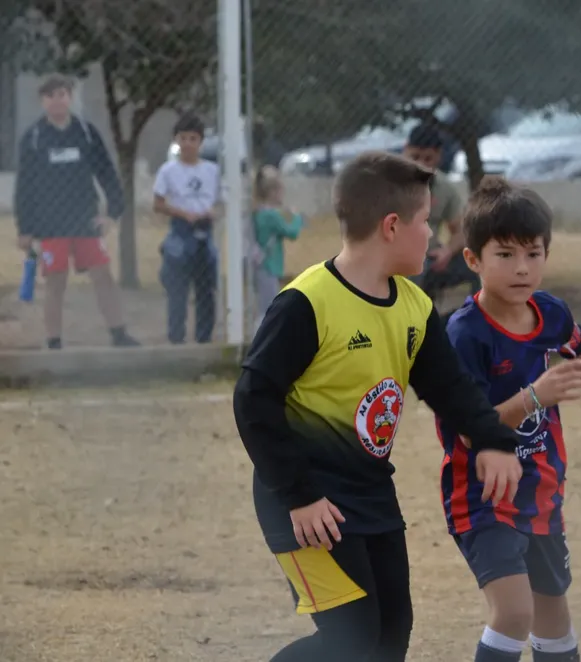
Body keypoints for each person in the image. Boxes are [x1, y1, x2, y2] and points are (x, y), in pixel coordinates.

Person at [232, 151, 523, 662]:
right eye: (426, 220)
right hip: (304, 500)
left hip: (369, 494)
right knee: (351, 639)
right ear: (392, 226)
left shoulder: (413, 306)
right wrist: (299, 494)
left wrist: (495, 441)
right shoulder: (307, 303)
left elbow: (451, 390)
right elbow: (254, 400)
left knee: (390, 636)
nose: (432, 233)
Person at [438, 178, 581, 662]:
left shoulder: (550, 313)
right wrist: (533, 397)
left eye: (533, 253)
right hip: (484, 496)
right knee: (514, 613)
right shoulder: (465, 334)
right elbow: (469, 427)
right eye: (505, 255)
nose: (522, 268)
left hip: (542, 491)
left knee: (554, 618)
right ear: (473, 260)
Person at [13, 74, 139, 349]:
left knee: (103, 277)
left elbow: (106, 172)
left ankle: (119, 334)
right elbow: (24, 186)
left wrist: (112, 212)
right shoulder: (34, 138)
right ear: (42, 101)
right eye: (51, 96)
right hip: (50, 224)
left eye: (62, 94)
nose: (57, 100)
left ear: (70, 97)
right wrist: (24, 228)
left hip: (85, 219)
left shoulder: (85, 132)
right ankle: (54, 341)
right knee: (55, 283)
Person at [152, 114, 222, 344]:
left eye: (193, 139)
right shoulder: (168, 170)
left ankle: (204, 338)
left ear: (200, 142)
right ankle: (176, 338)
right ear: (176, 140)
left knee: (206, 291)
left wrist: (211, 213)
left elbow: (222, 202)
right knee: (178, 291)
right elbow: (158, 203)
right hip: (181, 231)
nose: (188, 144)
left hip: (205, 230)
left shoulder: (212, 170)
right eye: (183, 138)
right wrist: (183, 214)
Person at [404, 123, 478, 316]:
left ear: (439, 156)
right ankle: (414, 323)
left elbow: (462, 230)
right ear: (406, 151)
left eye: (428, 158)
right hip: (399, 259)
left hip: (433, 258)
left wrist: (447, 250)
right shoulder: (388, 184)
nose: (421, 164)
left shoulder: (444, 187)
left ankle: (478, 319)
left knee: (482, 262)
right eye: (415, 157)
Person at [252, 166, 304, 329]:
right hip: (269, 266)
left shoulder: (259, 212)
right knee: (267, 309)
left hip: (262, 265)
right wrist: (297, 217)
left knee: (264, 306)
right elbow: (292, 233)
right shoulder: (271, 215)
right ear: (273, 192)